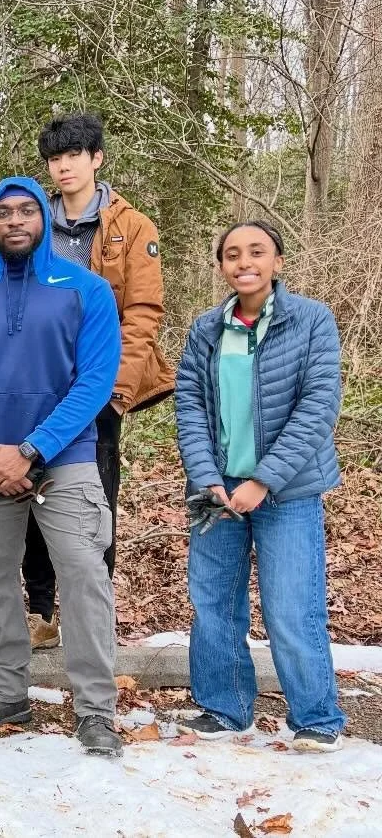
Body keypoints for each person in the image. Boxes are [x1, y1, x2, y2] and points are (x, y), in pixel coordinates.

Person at [0, 176, 124, 757]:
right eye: (3, 214)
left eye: (26, 211)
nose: (15, 221)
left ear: (43, 218)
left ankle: (95, 710)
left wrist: (33, 450)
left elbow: (95, 381)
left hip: (65, 463)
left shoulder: (85, 290)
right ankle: (6, 692)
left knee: (84, 581)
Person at [174, 221, 346, 751]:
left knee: (292, 605)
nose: (243, 261)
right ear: (221, 265)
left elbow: (318, 407)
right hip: (217, 490)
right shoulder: (206, 329)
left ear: (277, 261)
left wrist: (263, 481)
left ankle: (316, 717)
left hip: (287, 491)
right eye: (231, 254)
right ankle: (226, 710)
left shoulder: (312, 321)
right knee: (214, 602)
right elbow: (190, 407)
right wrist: (207, 477)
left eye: (256, 251)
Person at [23, 113, 174, 648]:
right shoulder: (33, 219)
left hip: (99, 387)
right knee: (30, 490)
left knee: (93, 502)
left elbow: (142, 314)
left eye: (73, 156)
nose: (63, 167)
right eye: (55, 158)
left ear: (96, 160)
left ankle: (91, 618)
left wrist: (116, 392)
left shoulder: (131, 227)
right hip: (38, 383)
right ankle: (39, 609)